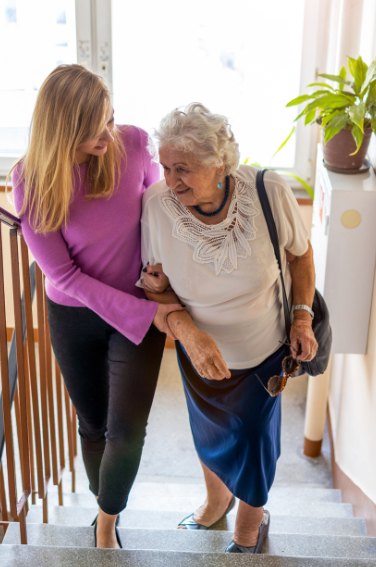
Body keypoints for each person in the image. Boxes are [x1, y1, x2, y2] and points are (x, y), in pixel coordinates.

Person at [10, 64, 183, 550]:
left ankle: (106, 522)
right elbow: (62, 275)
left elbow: (159, 207)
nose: (109, 133)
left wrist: (161, 278)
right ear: (64, 129)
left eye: (110, 119)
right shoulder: (31, 181)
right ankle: (104, 499)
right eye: (95, 128)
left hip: (137, 306)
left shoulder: (131, 143)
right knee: (93, 425)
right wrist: (149, 315)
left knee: (127, 430)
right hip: (75, 315)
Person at [139, 103, 318, 554]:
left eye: (184, 168)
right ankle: (217, 500)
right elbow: (155, 286)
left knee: (256, 440)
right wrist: (186, 330)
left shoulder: (267, 190)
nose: (171, 179)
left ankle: (248, 526)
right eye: (165, 167)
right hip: (198, 353)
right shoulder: (157, 206)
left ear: (220, 163)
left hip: (265, 354)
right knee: (211, 433)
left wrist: (301, 316)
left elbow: (300, 256)